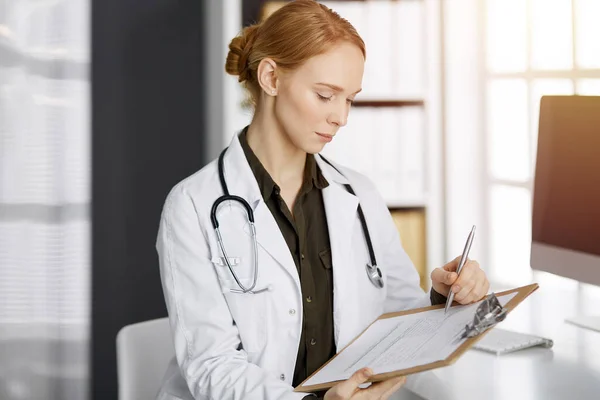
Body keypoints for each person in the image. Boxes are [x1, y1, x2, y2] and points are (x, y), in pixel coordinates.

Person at [155, 1, 490, 399]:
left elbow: (397, 321)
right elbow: (212, 366)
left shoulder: (359, 195)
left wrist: (443, 298)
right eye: (326, 95)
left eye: (349, 99)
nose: (341, 118)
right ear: (271, 78)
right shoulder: (192, 205)